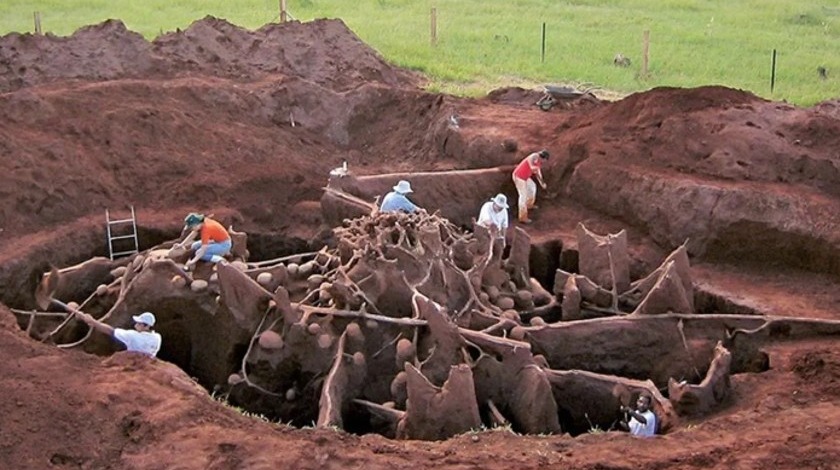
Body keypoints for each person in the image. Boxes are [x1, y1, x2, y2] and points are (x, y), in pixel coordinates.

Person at [74, 310, 162, 357]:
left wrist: (93, 322)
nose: (136, 325)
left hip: (134, 364)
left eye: (139, 323)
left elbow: (111, 331)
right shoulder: (157, 337)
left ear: (146, 326)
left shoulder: (132, 336)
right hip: (148, 364)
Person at [512, 149, 549, 224]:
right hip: (519, 177)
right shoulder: (533, 157)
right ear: (543, 158)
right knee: (523, 196)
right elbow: (532, 167)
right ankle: (522, 217)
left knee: (532, 187)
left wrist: (542, 183)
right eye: (545, 160)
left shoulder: (539, 162)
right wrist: (537, 170)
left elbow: (538, 173)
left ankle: (529, 204)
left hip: (525, 177)